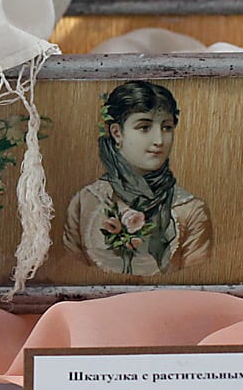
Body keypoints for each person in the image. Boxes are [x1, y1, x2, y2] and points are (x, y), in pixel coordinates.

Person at [63, 80, 212, 275]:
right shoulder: (85, 202)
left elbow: (196, 278)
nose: (159, 140)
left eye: (167, 127)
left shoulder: (190, 210)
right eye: (144, 127)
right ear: (117, 133)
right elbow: (72, 272)